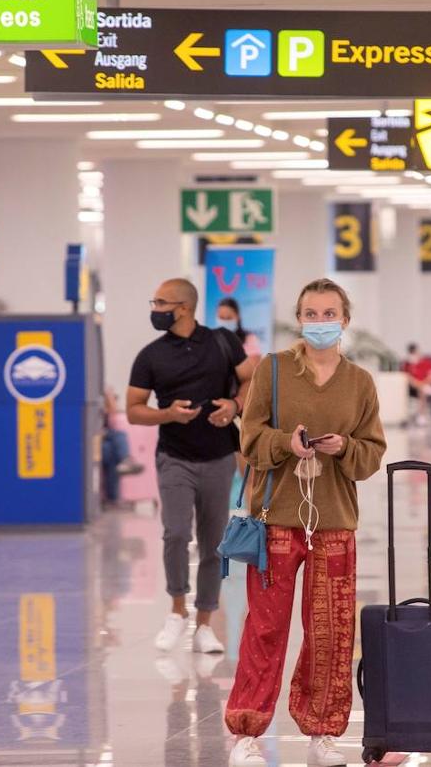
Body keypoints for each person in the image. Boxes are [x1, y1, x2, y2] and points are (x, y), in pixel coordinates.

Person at [225, 278, 386, 767]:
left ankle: (323, 732)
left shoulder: (359, 382)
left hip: (334, 520)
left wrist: (345, 449)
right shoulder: (273, 371)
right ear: (299, 318)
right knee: (265, 627)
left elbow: (372, 454)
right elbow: (250, 438)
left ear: (345, 320)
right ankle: (247, 733)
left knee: (331, 633)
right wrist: (285, 444)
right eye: (311, 314)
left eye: (329, 313)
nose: (320, 322)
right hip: (276, 517)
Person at [128, 279, 258, 655]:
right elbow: (133, 409)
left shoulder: (222, 342)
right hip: (174, 458)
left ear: (183, 307)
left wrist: (234, 406)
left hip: (218, 457)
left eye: (161, 302)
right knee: (175, 533)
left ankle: (204, 623)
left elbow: (250, 380)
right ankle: (175, 609)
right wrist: (166, 413)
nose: (155, 308)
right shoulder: (150, 356)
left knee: (214, 544)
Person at [402, 342, 431, 424]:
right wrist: (419, 384)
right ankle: (425, 389)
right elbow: (407, 377)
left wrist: (424, 383)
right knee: (418, 385)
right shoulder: (407, 364)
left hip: (426, 385)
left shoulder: (427, 362)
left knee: (422, 391)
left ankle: (421, 415)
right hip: (412, 388)